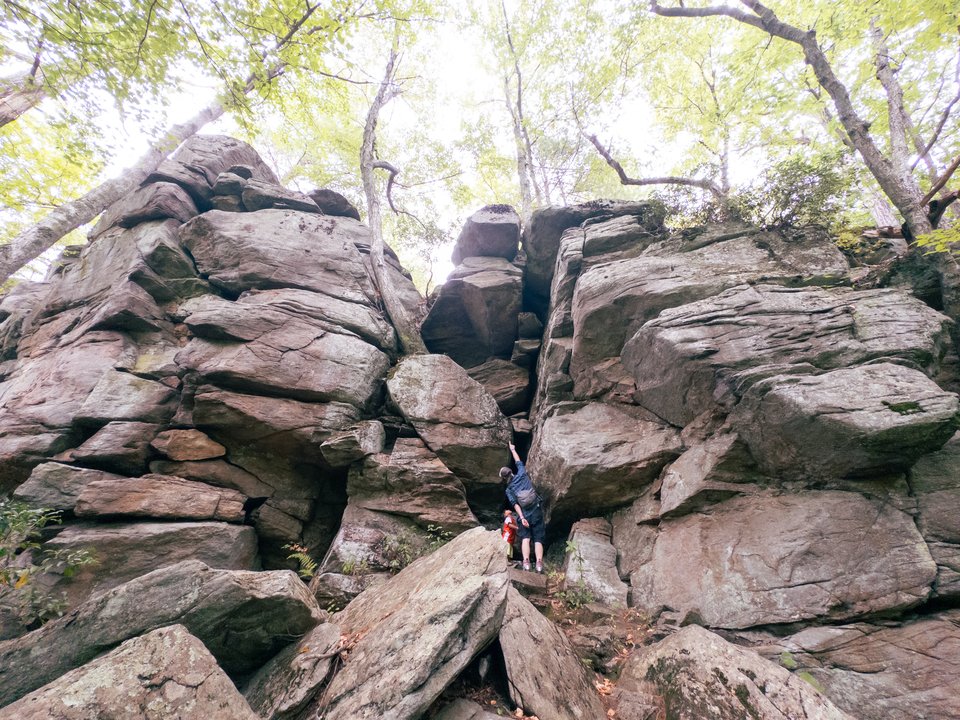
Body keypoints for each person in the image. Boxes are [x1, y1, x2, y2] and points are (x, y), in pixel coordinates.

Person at [500, 442, 545, 572]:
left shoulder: (509, 489)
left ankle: (526, 563)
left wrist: (521, 517)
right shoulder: (522, 474)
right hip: (536, 509)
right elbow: (518, 461)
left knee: (525, 538)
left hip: (524, 514)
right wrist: (513, 449)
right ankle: (539, 564)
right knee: (538, 538)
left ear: (504, 478)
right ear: (511, 473)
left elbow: (515, 504)